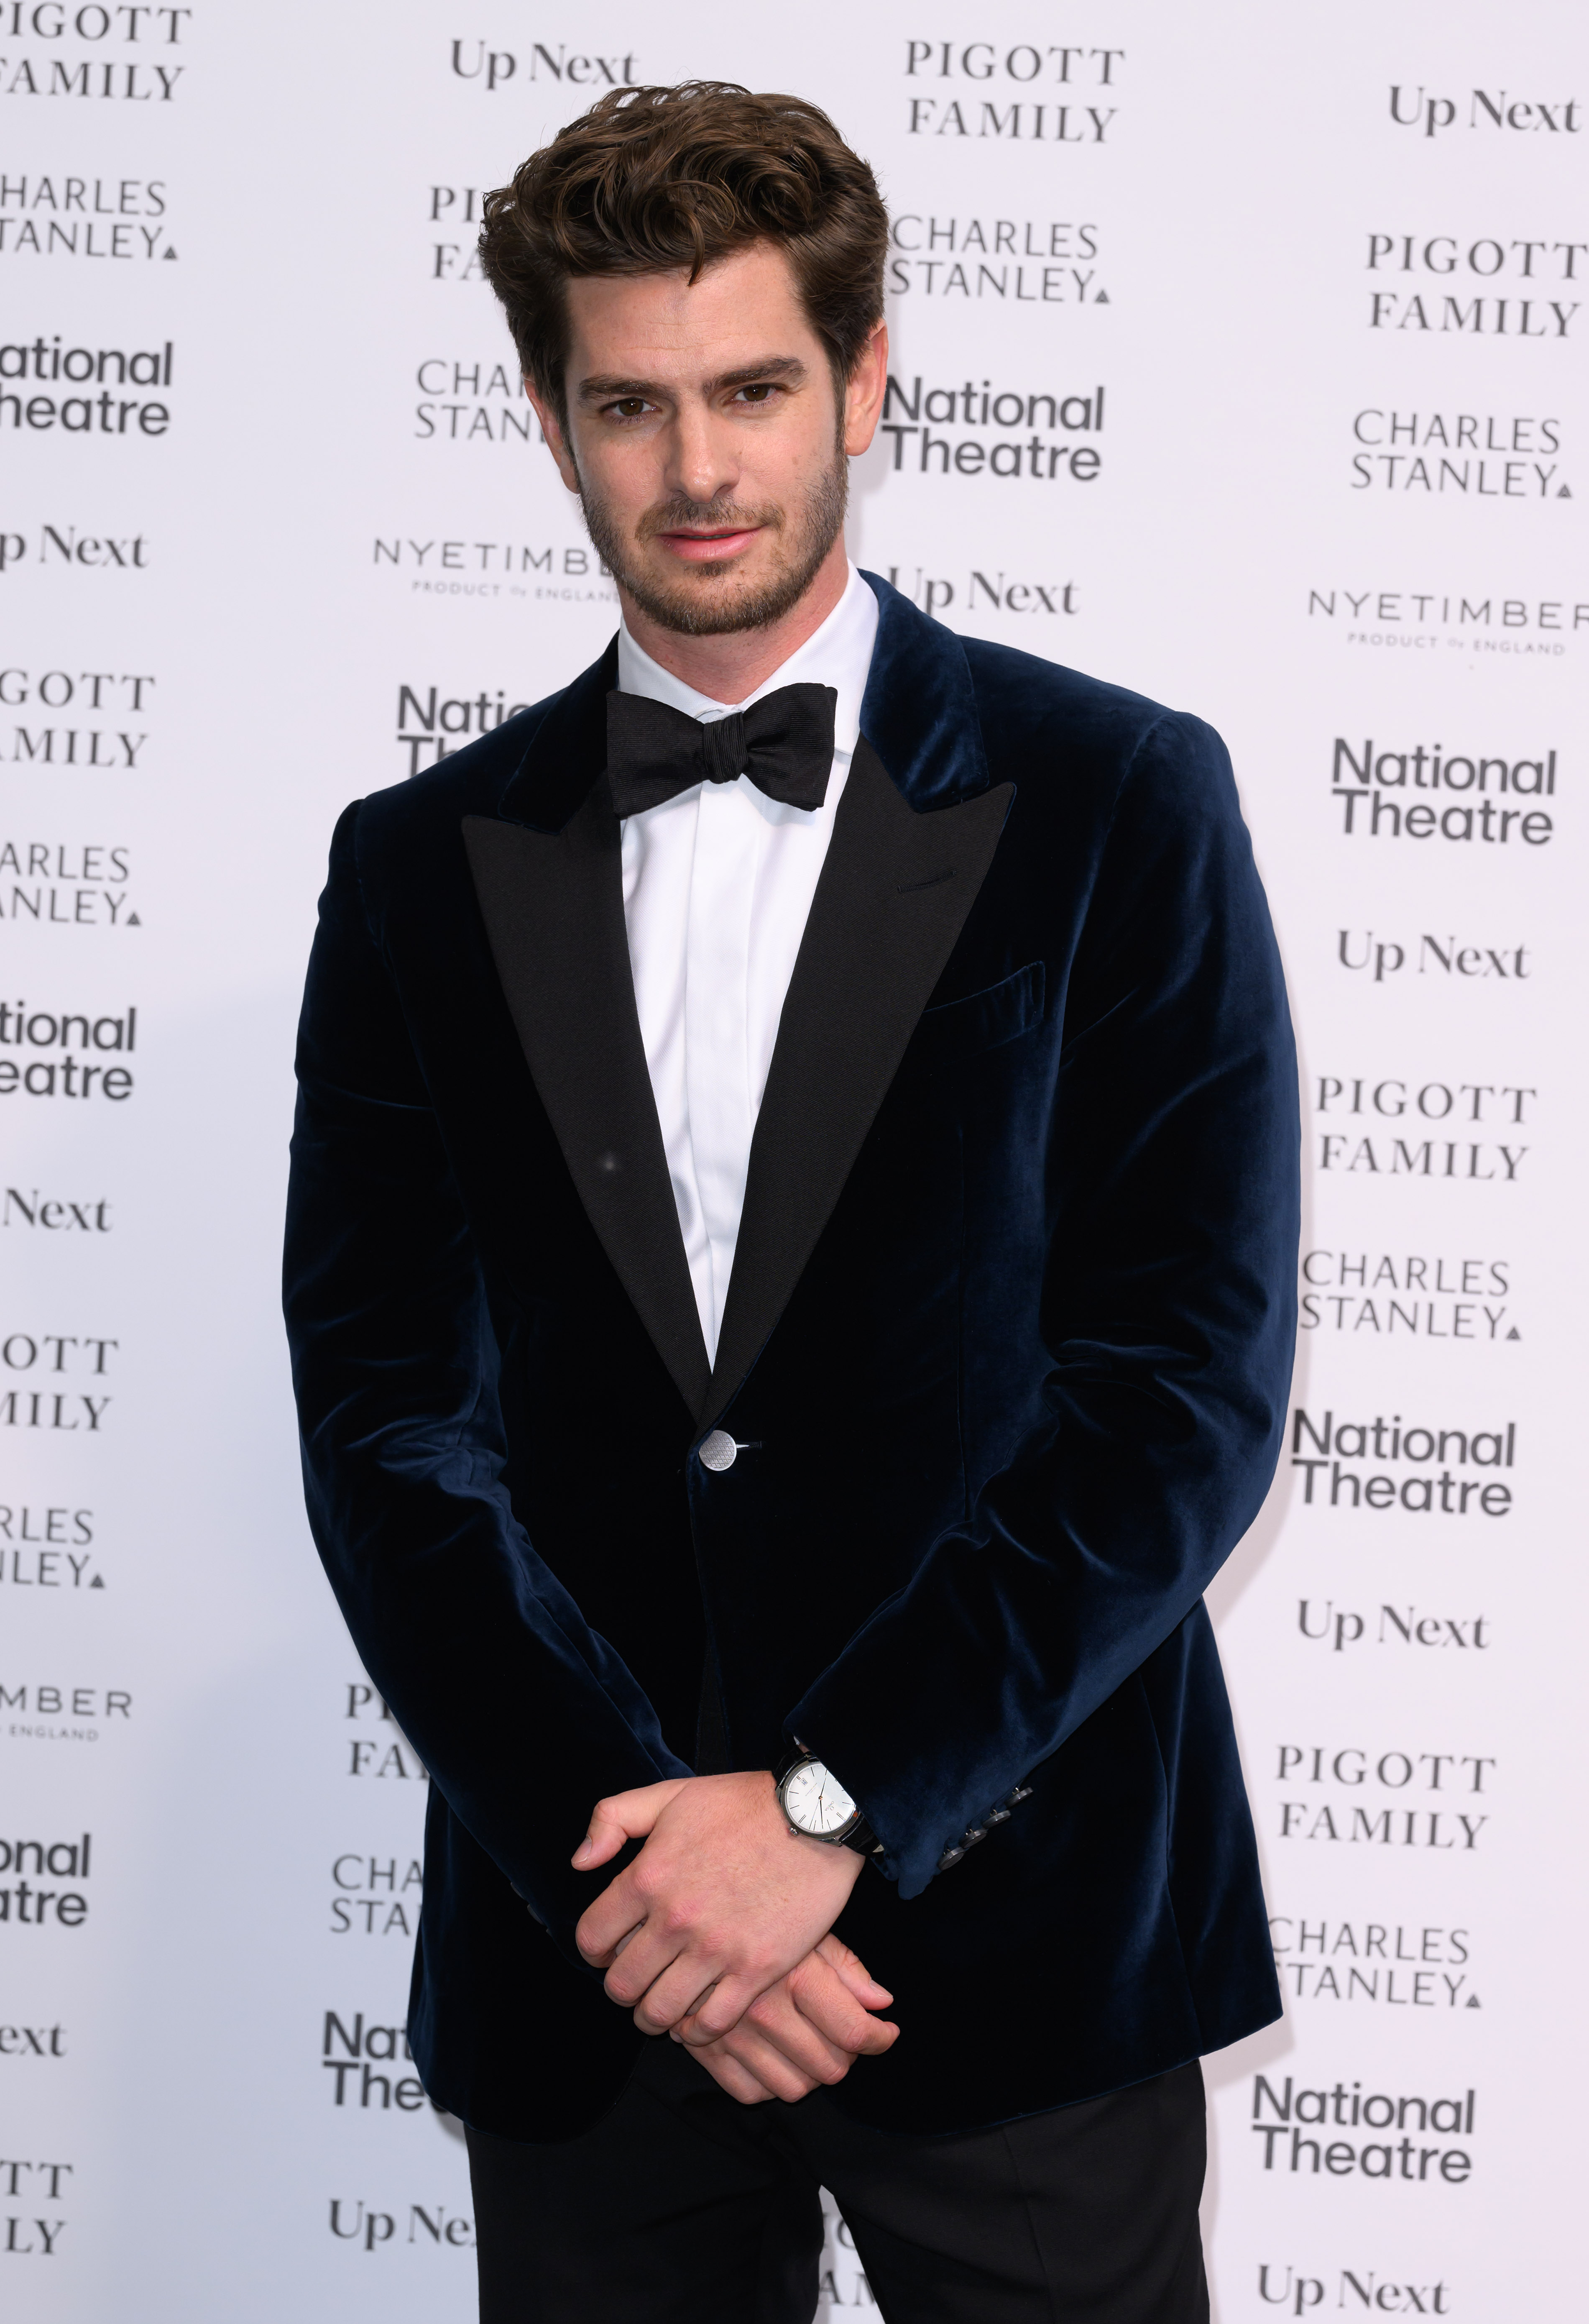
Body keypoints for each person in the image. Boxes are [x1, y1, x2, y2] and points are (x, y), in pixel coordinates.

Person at [284, 80, 1298, 2324]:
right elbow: (387, 1428)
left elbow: (1177, 1390)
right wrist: (655, 1880)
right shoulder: (416, 870)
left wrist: (823, 1813)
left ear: (862, 376)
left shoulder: (1121, 797)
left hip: (1018, 1933)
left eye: (751, 388)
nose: (697, 470)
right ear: (551, 424)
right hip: (599, 1956)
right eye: (626, 404)